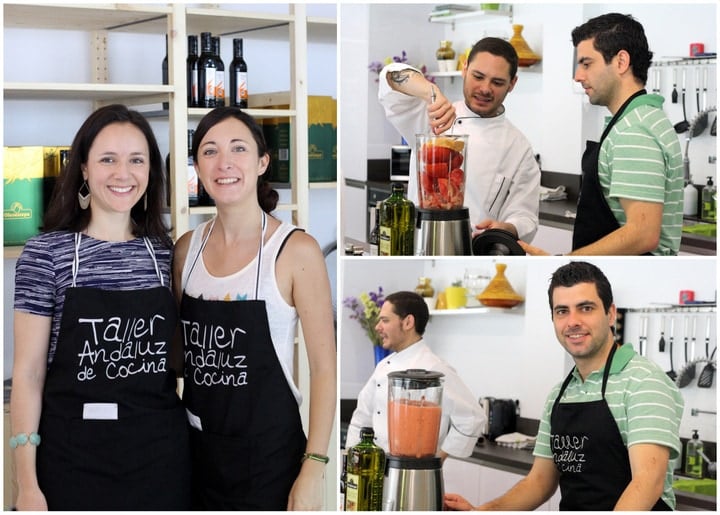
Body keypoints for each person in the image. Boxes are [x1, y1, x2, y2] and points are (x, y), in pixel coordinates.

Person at [10, 104, 191, 510]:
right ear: (85, 169)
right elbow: (28, 373)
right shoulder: (46, 255)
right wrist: (26, 484)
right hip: (71, 459)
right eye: (108, 159)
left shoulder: (168, 254)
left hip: (161, 459)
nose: (122, 173)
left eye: (136, 160)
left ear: (151, 172)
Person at [172, 106, 336, 510]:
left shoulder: (296, 250)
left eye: (238, 149)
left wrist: (313, 469)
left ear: (263, 162)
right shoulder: (185, 250)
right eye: (209, 151)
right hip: (196, 456)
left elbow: (325, 368)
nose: (224, 163)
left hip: (270, 463)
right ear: (197, 166)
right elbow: (177, 359)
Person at [445, 261, 684, 511]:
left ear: (610, 313)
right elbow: (539, 482)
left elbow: (647, 483)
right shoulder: (560, 394)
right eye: (562, 311)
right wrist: (483, 511)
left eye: (586, 308)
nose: (573, 321)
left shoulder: (644, 381)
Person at [520, 13, 684, 256]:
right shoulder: (637, 118)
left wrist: (564, 262)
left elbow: (643, 234)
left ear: (621, 62)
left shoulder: (634, 130)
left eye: (586, 64)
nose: (577, 76)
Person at [378, 37, 540, 243]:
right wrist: (431, 92)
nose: (485, 88)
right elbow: (389, 77)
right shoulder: (434, 114)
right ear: (464, 69)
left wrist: (506, 227)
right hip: (418, 240)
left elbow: (525, 216)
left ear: (512, 83)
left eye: (497, 82)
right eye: (478, 76)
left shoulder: (518, 147)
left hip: (473, 247)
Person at [345, 291, 484, 460]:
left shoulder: (433, 368)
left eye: (385, 320)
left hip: (413, 473)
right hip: (376, 469)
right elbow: (362, 418)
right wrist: (351, 462)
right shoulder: (383, 366)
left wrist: (437, 461)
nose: (377, 327)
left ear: (408, 322)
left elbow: (473, 417)